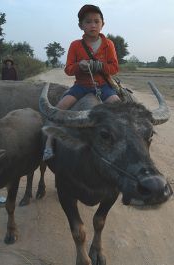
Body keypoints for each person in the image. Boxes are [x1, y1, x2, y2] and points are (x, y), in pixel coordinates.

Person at [43, 4, 120, 160]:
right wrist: (80, 66)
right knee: (57, 110)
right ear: (81, 26)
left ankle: (121, 143)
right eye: (88, 22)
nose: (93, 25)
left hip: (103, 87)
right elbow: (68, 69)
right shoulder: (75, 45)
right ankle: (48, 143)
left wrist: (100, 66)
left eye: (96, 21)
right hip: (81, 87)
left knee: (120, 108)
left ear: (102, 24)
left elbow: (114, 68)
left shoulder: (108, 44)